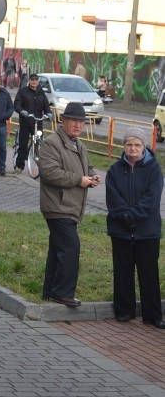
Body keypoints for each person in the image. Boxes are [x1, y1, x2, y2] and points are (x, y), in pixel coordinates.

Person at [38, 102, 99, 308]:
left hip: (70, 207)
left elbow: (86, 167)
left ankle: (49, 292)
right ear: (63, 120)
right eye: (74, 120)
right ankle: (63, 293)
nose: (78, 125)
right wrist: (78, 180)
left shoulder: (79, 144)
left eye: (82, 121)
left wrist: (92, 176)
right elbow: (49, 173)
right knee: (71, 247)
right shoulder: (51, 142)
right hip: (57, 207)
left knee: (57, 250)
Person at [105, 128, 164, 328]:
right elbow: (113, 199)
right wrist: (125, 217)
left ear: (144, 146)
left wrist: (133, 216)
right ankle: (124, 311)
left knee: (149, 273)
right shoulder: (114, 170)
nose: (133, 148)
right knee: (123, 272)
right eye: (129, 144)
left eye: (137, 145)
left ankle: (153, 315)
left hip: (147, 230)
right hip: (120, 230)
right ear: (124, 146)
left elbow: (151, 199)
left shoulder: (154, 169)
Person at [13, 73, 51, 173]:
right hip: (26, 122)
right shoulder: (23, 91)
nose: (34, 82)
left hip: (38, 122)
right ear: (29, 81)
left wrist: (49, 112)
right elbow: (17, 104)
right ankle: (19, 166)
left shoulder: (41, 92)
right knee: (23, 145)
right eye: (32, 80)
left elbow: (46, 105)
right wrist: (22, 111)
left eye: (36, 80)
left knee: (40, 144)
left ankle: (39, 163)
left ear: (38, 81)